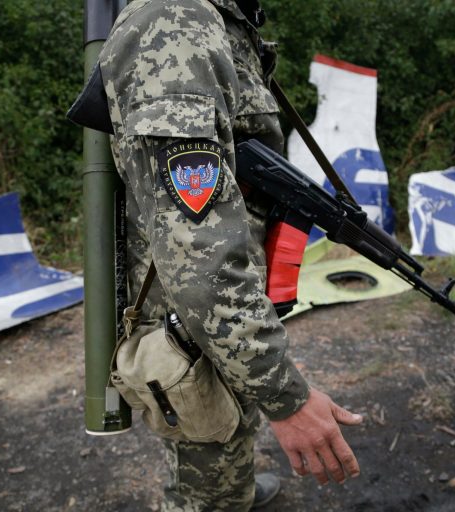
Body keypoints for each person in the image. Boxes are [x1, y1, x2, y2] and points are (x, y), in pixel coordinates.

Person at [98, 0, 363, 509]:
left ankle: (230, 488)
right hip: (194, 316)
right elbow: (200, 260)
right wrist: (290, 401)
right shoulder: (176, 19)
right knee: (210, 457)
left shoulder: (224, 19)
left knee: (225, 433)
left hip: (219, 309)